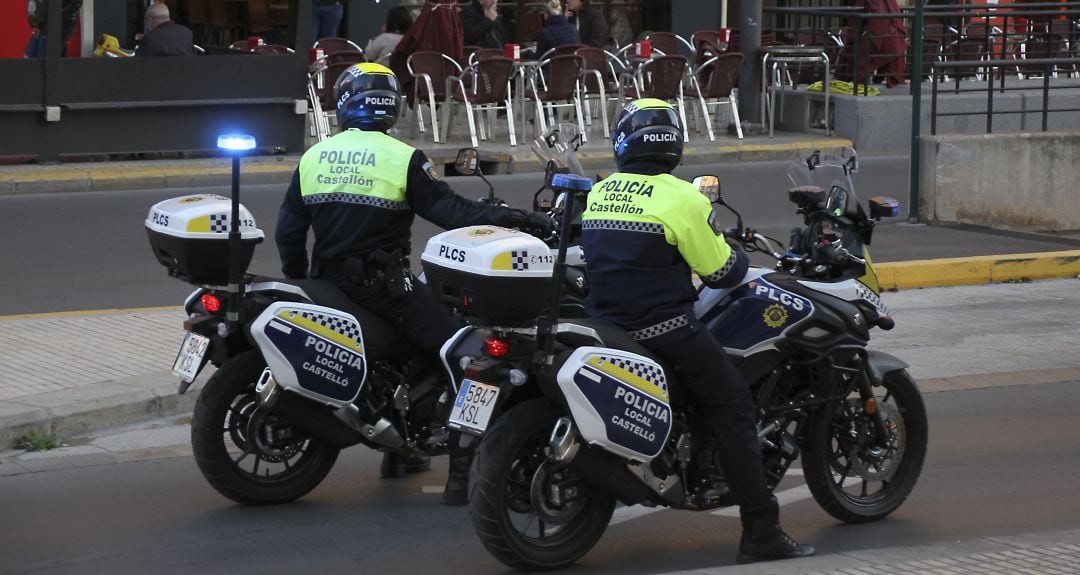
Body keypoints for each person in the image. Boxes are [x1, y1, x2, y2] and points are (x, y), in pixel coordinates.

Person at [275, 63, 552, 505]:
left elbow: (288, 231)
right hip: (384, 288)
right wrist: (518, 219)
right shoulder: (402, 158)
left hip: (328, 282)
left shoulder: (315, 155)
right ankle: (463, 475)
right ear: (391, 108)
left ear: (345, 103)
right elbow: (456, 215)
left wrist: (301, 277)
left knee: (415, 351)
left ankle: (403, 454)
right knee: (466, 354)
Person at [579, 99, 816, 565]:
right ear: (674, 145)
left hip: (605, 325)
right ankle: (761, 531)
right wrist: (736, 254)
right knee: (733, 406)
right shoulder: (684, 197)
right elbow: (721, 272)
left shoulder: (601, 192)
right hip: (664, 330)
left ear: (624, 142)